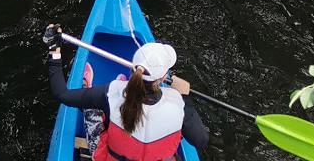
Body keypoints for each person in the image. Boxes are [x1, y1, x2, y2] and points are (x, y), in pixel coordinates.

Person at [47, 27, 210, 160]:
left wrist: (54, 50)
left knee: (92, 108)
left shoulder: (111, 93)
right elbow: (201, 140)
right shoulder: (178, 105)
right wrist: (184, 97)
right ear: (162, 78)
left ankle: (88, 86)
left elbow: (62, 94)